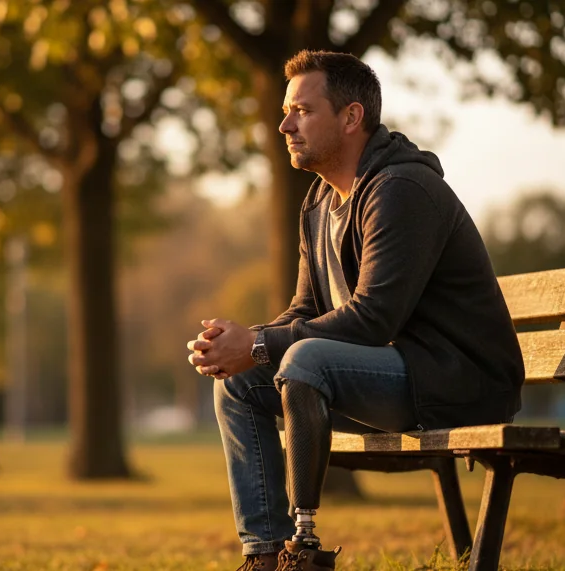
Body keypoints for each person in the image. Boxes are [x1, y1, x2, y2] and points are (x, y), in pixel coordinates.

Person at [186, 50, 525, 571]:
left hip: (457, 383)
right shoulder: (319, 203)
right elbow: (305, 308)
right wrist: (241, 343)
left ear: (350, 117)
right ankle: (265, 555)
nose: (284, 125)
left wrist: (256, 345)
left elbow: (373, 319)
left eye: (302, 110)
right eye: (286, 110)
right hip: (388, 377)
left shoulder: (401, 191)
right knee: (236, 383)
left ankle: (305, 548)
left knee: (306, 361)